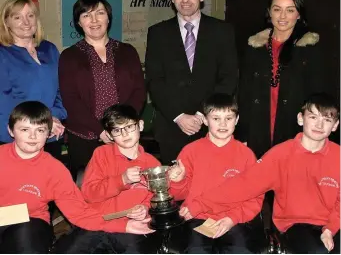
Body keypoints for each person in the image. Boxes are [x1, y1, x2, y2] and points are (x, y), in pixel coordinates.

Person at [189, 93, 340, 254]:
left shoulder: (338, 156)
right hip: (297, 224)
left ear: (336, 125)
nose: (319, 124)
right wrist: (201, 203)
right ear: (300, 119)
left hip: (334, 222)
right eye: (313, 117)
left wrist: (330, 229)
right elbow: (243, 185)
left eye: (327, 120)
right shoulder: (280, 155)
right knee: (319, 251)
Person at [0, 101, 153, 254]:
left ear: (49, 133)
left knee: (24, 235)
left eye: (40, 130)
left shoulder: (55, 170)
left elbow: (79, 212)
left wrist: (124, 226)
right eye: (25, 129)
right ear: (11, 131)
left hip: (30, 223)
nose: (32, 136)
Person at [145, 0, 238, 165]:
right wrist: (179, 116)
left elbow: (228, 77)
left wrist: (201, 114)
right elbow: (154, 80)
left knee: (212, 187)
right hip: (171, 127)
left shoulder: (222, 31)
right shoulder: (157, 33)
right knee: (177, 188)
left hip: (211, 125)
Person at [236, 0, 333, 159]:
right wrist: (242, 135)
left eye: (290, 10)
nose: (282, 16)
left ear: (299, 14)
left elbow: (321, 96)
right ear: (269, 13)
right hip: (258, 127)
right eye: (277, 9)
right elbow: (243, 94)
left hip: (295, 128)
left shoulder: (310, 48)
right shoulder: (255, 46)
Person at [59, 0, 146, 179]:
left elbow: (139, 91)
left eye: (99, 13)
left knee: (128, 189)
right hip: (85, 137)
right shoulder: (69, 56)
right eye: (86, 15)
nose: (94, 20)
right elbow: (70, 99)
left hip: (125, 135)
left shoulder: (127, 51)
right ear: (79, 23)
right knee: (89, 191)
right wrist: (101, 129)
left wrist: (119, 126)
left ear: (108, 17)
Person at [168, 93, 264, 253]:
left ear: (237, 120)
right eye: (216, 118)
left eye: (229, 118)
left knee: (241, 250)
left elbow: (256, 197)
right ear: (205, 120)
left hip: (234, 219)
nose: (223, 124)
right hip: (197, 218)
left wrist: (232, 218)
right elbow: (178, 195)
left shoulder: (246, 155)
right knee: (195, 250)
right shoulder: (190, 151)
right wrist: (178, 181)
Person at [79, 104, 161, 253]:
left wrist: (145, 208)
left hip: (131, 226)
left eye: (129, 126)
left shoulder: (152, 164)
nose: (124, 134)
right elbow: (89, 194)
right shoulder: (101, 154)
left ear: (140, 125)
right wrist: (121, 180)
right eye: (117, 130)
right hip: (98, 223)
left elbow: (155, 198)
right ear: (109, 135)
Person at [0, 0, 66, 162]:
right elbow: (4, 101)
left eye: (30, 16)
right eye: (17, 17)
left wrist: (52, 119)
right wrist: (37, 125)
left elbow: (61, 90)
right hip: (18, 137)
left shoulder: (49, 49)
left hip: (51, 132)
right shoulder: (3, 54)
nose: (26, 22)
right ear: (7, 22)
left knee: (52, 184)